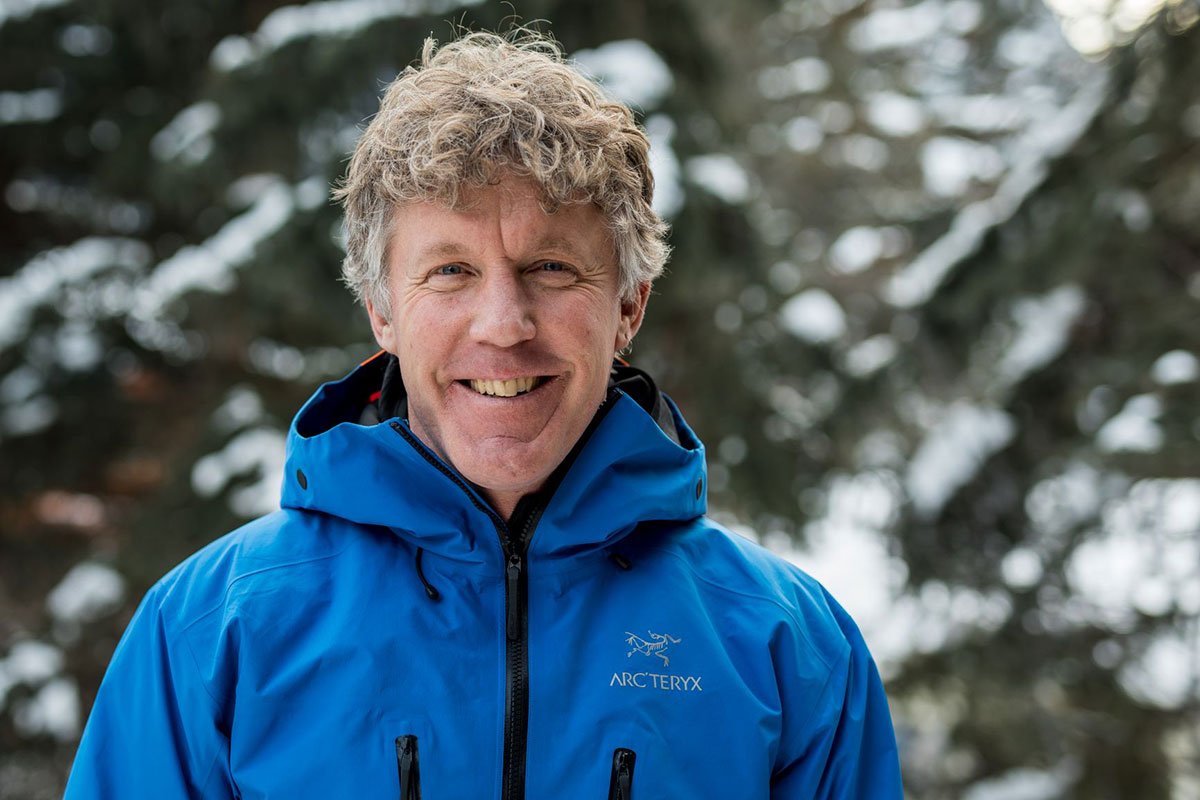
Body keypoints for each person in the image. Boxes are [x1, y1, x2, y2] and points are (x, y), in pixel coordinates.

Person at [65, 31, 903, 799]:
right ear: (381, 311)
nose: (503, 325)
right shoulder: (214, 632)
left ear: (629, 306)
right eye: (451, 271)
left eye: (550, 266)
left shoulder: (788, 649)